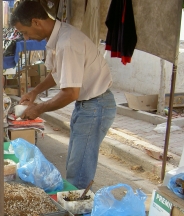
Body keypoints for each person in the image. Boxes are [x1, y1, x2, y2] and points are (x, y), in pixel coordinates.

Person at [10, 1, 116, 190]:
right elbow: (57, 73)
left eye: (24, 32)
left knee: (79, 171)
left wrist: (38, 109)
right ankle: (75, 206)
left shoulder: (67, 42)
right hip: (88, 105)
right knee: (75, 164)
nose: (25, 37)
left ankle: (76, 214)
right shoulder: (57, 37)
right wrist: (35, 92)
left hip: (96, 105)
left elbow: (70, 93)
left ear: (36, 22)